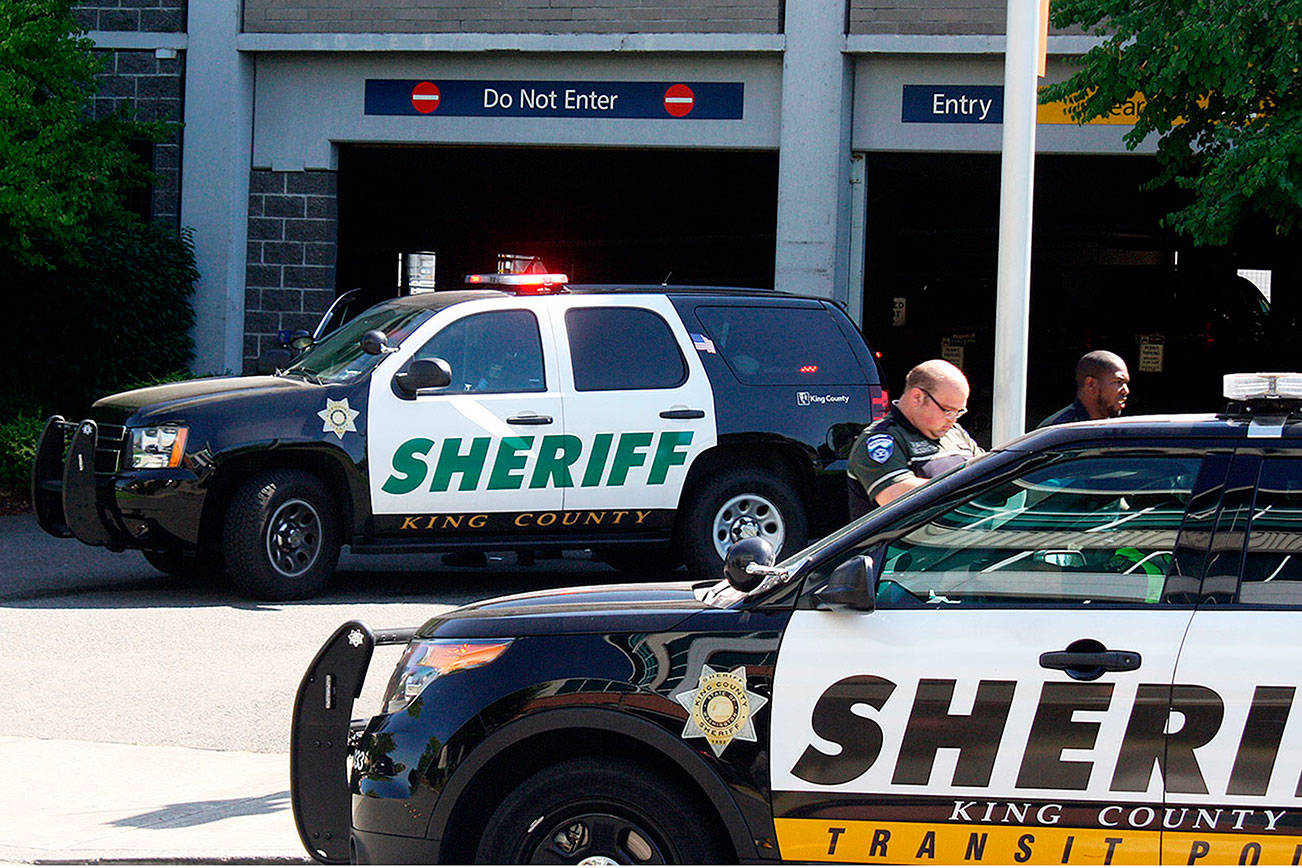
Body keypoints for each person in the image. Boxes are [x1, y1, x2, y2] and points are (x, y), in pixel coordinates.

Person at [846, 359, 984, 518]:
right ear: (917, 397)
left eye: (959, 412)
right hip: (904, 542)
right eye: (947, 410)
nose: (952, 419)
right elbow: (898, 497)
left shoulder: (955, 432)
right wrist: (968, 485)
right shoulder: (881, 440)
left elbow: (988, 473)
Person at [1037, 350, 1130, 428]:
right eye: (1118, 382)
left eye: (1125, 383)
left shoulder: (1115, 429)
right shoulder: (1059, 430)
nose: (1126, 391)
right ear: (1091, 384)